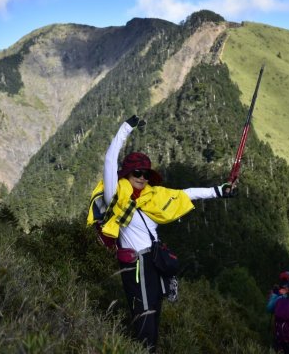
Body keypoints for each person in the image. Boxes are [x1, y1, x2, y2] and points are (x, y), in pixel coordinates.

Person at [100, 115, 236, 352]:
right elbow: (110, 160)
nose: (142, 177)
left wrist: (218, 191)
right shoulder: (116, 195)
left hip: (153, 263)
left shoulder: (154, 197)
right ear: (126, 175)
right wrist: (126, 127)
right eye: (137, 173)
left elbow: (185, 194)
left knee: (153, 317)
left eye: (145, 174)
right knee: (143, 320)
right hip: (136, 265)